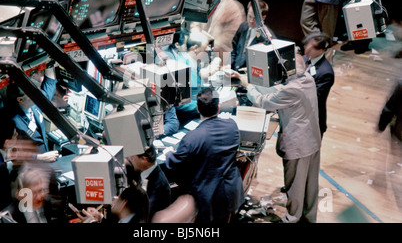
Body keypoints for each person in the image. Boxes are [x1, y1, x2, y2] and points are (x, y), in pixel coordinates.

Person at [242, 54, 322, 223]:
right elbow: (277, 91)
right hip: (312, 139)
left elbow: (264, 102)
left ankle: (292, 219)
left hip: (298, 144)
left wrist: (248, 85)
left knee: (296, 187)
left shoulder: (290, 89)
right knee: (310, 185)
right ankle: (309, 217)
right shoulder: (307, 78)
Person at [164, 87, 244, 223]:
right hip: (231, 192)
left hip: (208, 198)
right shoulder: (232, 126)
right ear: (219, 107)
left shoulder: (192, 138)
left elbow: (175, 163)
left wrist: (168, 154)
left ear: (197, 108)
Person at [7, 67, 59, 162]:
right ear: (20, 99)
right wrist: (39, 157)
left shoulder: (35, 104)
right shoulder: (11, 120)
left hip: (45, 161)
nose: (37, 95)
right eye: (32, 94)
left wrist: (49, 62)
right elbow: (10, 153)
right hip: (29, 167)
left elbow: (50, 84)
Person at [229, 0, 276, 79]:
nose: (251, 21)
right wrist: (229, 65)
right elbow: (233, 50)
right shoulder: (243, 26)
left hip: (249, 79)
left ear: (263, 17)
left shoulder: (268, 39)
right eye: (249, 16)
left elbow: (265, 68)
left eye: (255, 18)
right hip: (233, 73)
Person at [302, 32, 335, 138]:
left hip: (312, 123)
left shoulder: (326, 73)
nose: (307, 49)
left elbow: (313, 98)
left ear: (321, 50)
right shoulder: (304, 59)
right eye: (307, 45)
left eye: (312, 48)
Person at [126, 145, 171, 219]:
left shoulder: (160, 186)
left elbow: (145, 214)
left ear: (144, 159)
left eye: (132, 157)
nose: (130, 159)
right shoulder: (143, 169)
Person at [77, 185, 150, 223]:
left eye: (118, 199)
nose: (114, 201)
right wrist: (100, 217)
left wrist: (91, 222)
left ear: (123, 204)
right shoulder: (131, 218)